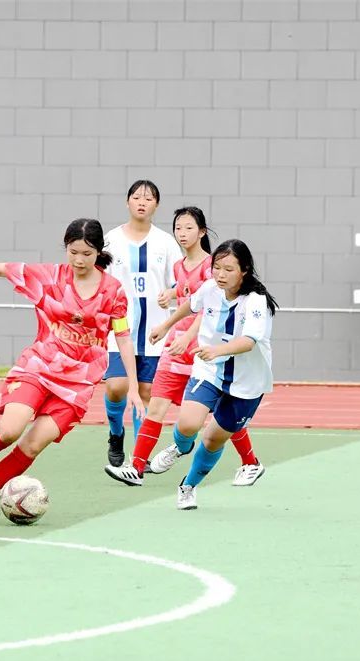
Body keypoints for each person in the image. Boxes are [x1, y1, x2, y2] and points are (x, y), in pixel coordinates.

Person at [0, 218, 144, 520]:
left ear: (98, 252)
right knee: (10, 430)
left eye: (87, 254)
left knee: (33, 444)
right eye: (73, 251)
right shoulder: (48, 277)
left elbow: (123, 336)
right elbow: (0, 268)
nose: (79, 260)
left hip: (77, 384)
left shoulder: (113, 291)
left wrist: (132, 385)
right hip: (39, 367)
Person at [105, 207, 265, 487]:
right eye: (178, 228)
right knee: (156, 404)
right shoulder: (180, 266)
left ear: (202, 232)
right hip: (175, 348)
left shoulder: (211, 268)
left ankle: (248, 461)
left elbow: (205, 309)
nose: (182, 234)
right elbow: (187, 297)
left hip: (201, 353)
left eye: (189, 228)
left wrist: (186, 337)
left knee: (220, 415)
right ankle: (136, 468)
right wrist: (167, 321)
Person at [145, 239, 276, 510]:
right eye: (217, 267)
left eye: (228, 269)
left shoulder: (256, 302)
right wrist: (166, 325)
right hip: (210, 370)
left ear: (245, 270)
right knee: (187, 424)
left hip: (247, 382)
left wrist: (217, 350)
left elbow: (249, 342)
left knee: (214, 438)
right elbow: (191, 305)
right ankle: (180, 446)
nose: (220, 274)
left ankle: (188, 486)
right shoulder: (210, 288)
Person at [101, 179, 181, 469]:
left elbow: (180, 283)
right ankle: (115, 433)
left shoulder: (166, 243)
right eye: (136, 197)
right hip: (118, 331)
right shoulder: (111, 240)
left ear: (156, 205)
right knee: (116, 386)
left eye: (148, 198)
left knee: (147, 392)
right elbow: (100, 279)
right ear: (127, 202)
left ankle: (138, 456)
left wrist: (170, 293)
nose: (142, 202)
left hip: (155, 333)